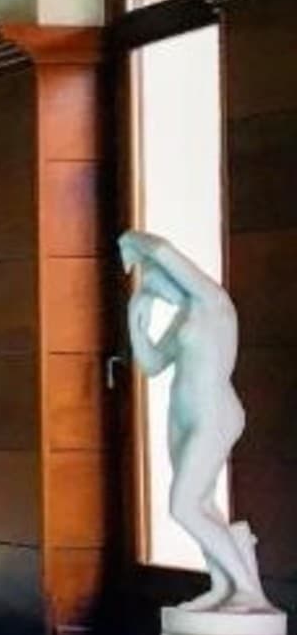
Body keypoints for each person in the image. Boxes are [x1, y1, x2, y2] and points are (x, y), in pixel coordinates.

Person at [120, 229, 270, 612]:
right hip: (182, 415)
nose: (153, 288)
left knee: (183, 505)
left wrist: (130, 242)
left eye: (155, 280)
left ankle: (247, 590)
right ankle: (223, 586)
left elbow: (162, 249)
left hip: (213, 413)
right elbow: (152, 364)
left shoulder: (212, 300)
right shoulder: (185, 314)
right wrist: (137, 320)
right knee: (201, 501)